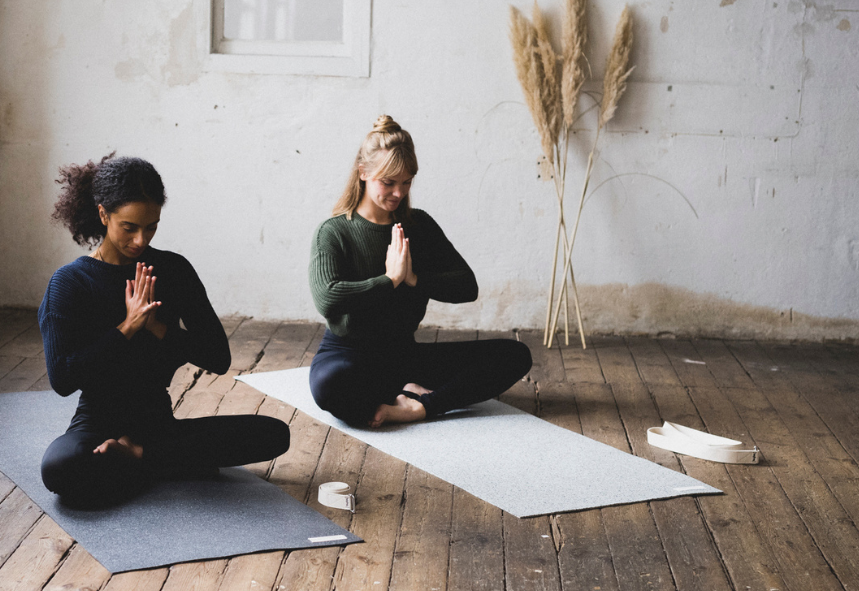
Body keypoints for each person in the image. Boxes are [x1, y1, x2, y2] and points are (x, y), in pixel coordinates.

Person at [39, 154, 290, 508]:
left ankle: (137, 456)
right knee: (60, 468)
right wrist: (127, 328)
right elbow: (63, 379)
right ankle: (161, 463)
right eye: (129, 227)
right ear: (102, 215)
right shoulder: (71, 282)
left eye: (152, 226)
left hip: (159, 426)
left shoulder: (173, 270)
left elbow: (218, 358)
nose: (141, 240)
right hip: (95, 425)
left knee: (274, 434)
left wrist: (158, 327)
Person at [308, 116, 533, 429]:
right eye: (389, 182)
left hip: (404, 356)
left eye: (407, 182)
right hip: (350, 355)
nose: (399, 193)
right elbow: (327, 299)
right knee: (330, 384)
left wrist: (414, 279)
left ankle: (420, 406)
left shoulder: (419, 225)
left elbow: (467, 288)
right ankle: (406, 392)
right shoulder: (333, 232)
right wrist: (390, 281)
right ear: (363, 172)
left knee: (515, 355)